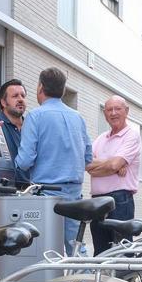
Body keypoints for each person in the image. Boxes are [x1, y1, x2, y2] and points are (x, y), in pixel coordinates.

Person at [14, 67, 93, 252]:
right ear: (63, 90)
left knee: (46, 249)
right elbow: (88, 158)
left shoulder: (35, 116)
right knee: (76, 247)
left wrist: (14, 162)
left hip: (46, 194)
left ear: (40, 87)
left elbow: (24, 161)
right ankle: (87, 281)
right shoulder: (78, 118)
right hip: (74, 193)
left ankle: (55, 281)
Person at [86, 95, 141, 254]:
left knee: (122, 252)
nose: (113, 113)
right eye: (109, 109)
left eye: (118, 109)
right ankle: (102, 280)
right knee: (100, 252)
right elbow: (87, 164)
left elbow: (114, 164)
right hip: (97, 202)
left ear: (126, 111)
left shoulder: (132, 135)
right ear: (104, 114)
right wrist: (112, 165)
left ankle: (126, 280)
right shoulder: (100, 138)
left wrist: (113, 165)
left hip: (120, 200)